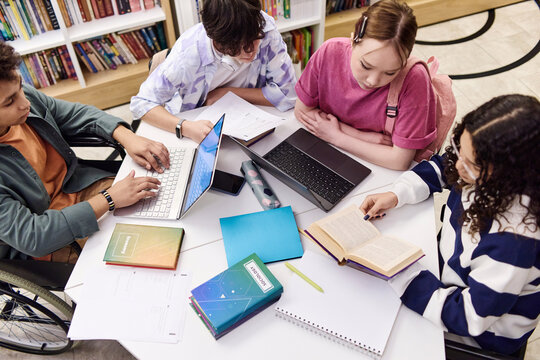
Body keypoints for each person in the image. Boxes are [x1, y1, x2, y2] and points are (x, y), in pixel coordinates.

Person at [360, 94, 540, 354]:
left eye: (472, 164)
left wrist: (403, 277)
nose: (458, 165)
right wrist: (397, 194)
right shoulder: (476, 164)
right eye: (459, 150)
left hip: (482, 336)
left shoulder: (515, 241)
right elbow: (446, 167)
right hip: (449, 279)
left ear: (512, 175)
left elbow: (471, 317)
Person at [0, 42, 170, 261]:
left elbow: (73, 114)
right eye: (9, 102)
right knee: (142, 255)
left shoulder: (24, 99)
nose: (25, 104)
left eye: (21, 87)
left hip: (78, 185)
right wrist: (109, 199)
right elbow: (34, 236)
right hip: (52, 235)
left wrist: (128, 137)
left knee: (161, 208)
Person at [295, 0, 436, 170]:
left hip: (379, 171)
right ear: (353, 39)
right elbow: (302, 111)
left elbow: (399, 161)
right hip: (329, 155)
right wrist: (362, 137)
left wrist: (337, 137)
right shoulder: (329, 52)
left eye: (390, 72)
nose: (373, 81)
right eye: (366, 66)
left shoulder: (414, 78)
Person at [130, 0, 297, 143]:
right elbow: (141, 103)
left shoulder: (264, 29)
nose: (253, 52)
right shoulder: (187, 56)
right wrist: (186, 127)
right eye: (242, 47)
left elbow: (288, 95)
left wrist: (228, 92)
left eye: (255, 40)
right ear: (217, 40)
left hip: (251, 124)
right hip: (197, 126)